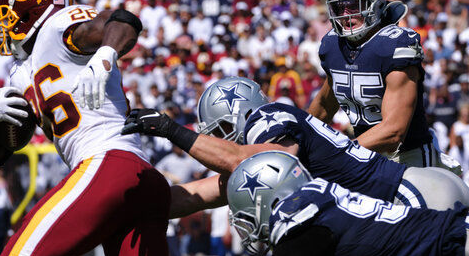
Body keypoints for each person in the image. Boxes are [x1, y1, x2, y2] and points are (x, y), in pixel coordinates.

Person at [0, 0, 170, 256]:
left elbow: (123, 21)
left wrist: (105, 53)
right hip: (140, 179)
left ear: (35, 10)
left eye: (11, 15)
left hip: (105, 164)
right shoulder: (20, 74)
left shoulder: (57, 26)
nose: (6, 25)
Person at [123, 77, 469, 216]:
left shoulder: (270, 120)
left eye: (223, 129)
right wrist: (127, 209)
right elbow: (198, 193)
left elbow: (266, 157)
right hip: (402, 201)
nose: (223, 139)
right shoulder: (261, 150)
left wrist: (172, 130)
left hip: (415, 198)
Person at [226, 150, 468, 256]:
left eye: (248, 218)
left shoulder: (297, 217)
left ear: (267, 199)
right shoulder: (321, 201)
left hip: (453, 249)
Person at [307, 0, 460, 173]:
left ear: (375, 3)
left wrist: (342, 151)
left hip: (406, 157)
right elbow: (324, 106)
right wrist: (299, 138)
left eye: (353, 6)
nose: (345, 15)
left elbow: (393, 132)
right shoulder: (333, 45)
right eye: (339, 8)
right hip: (362, 153)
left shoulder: (394, 46)